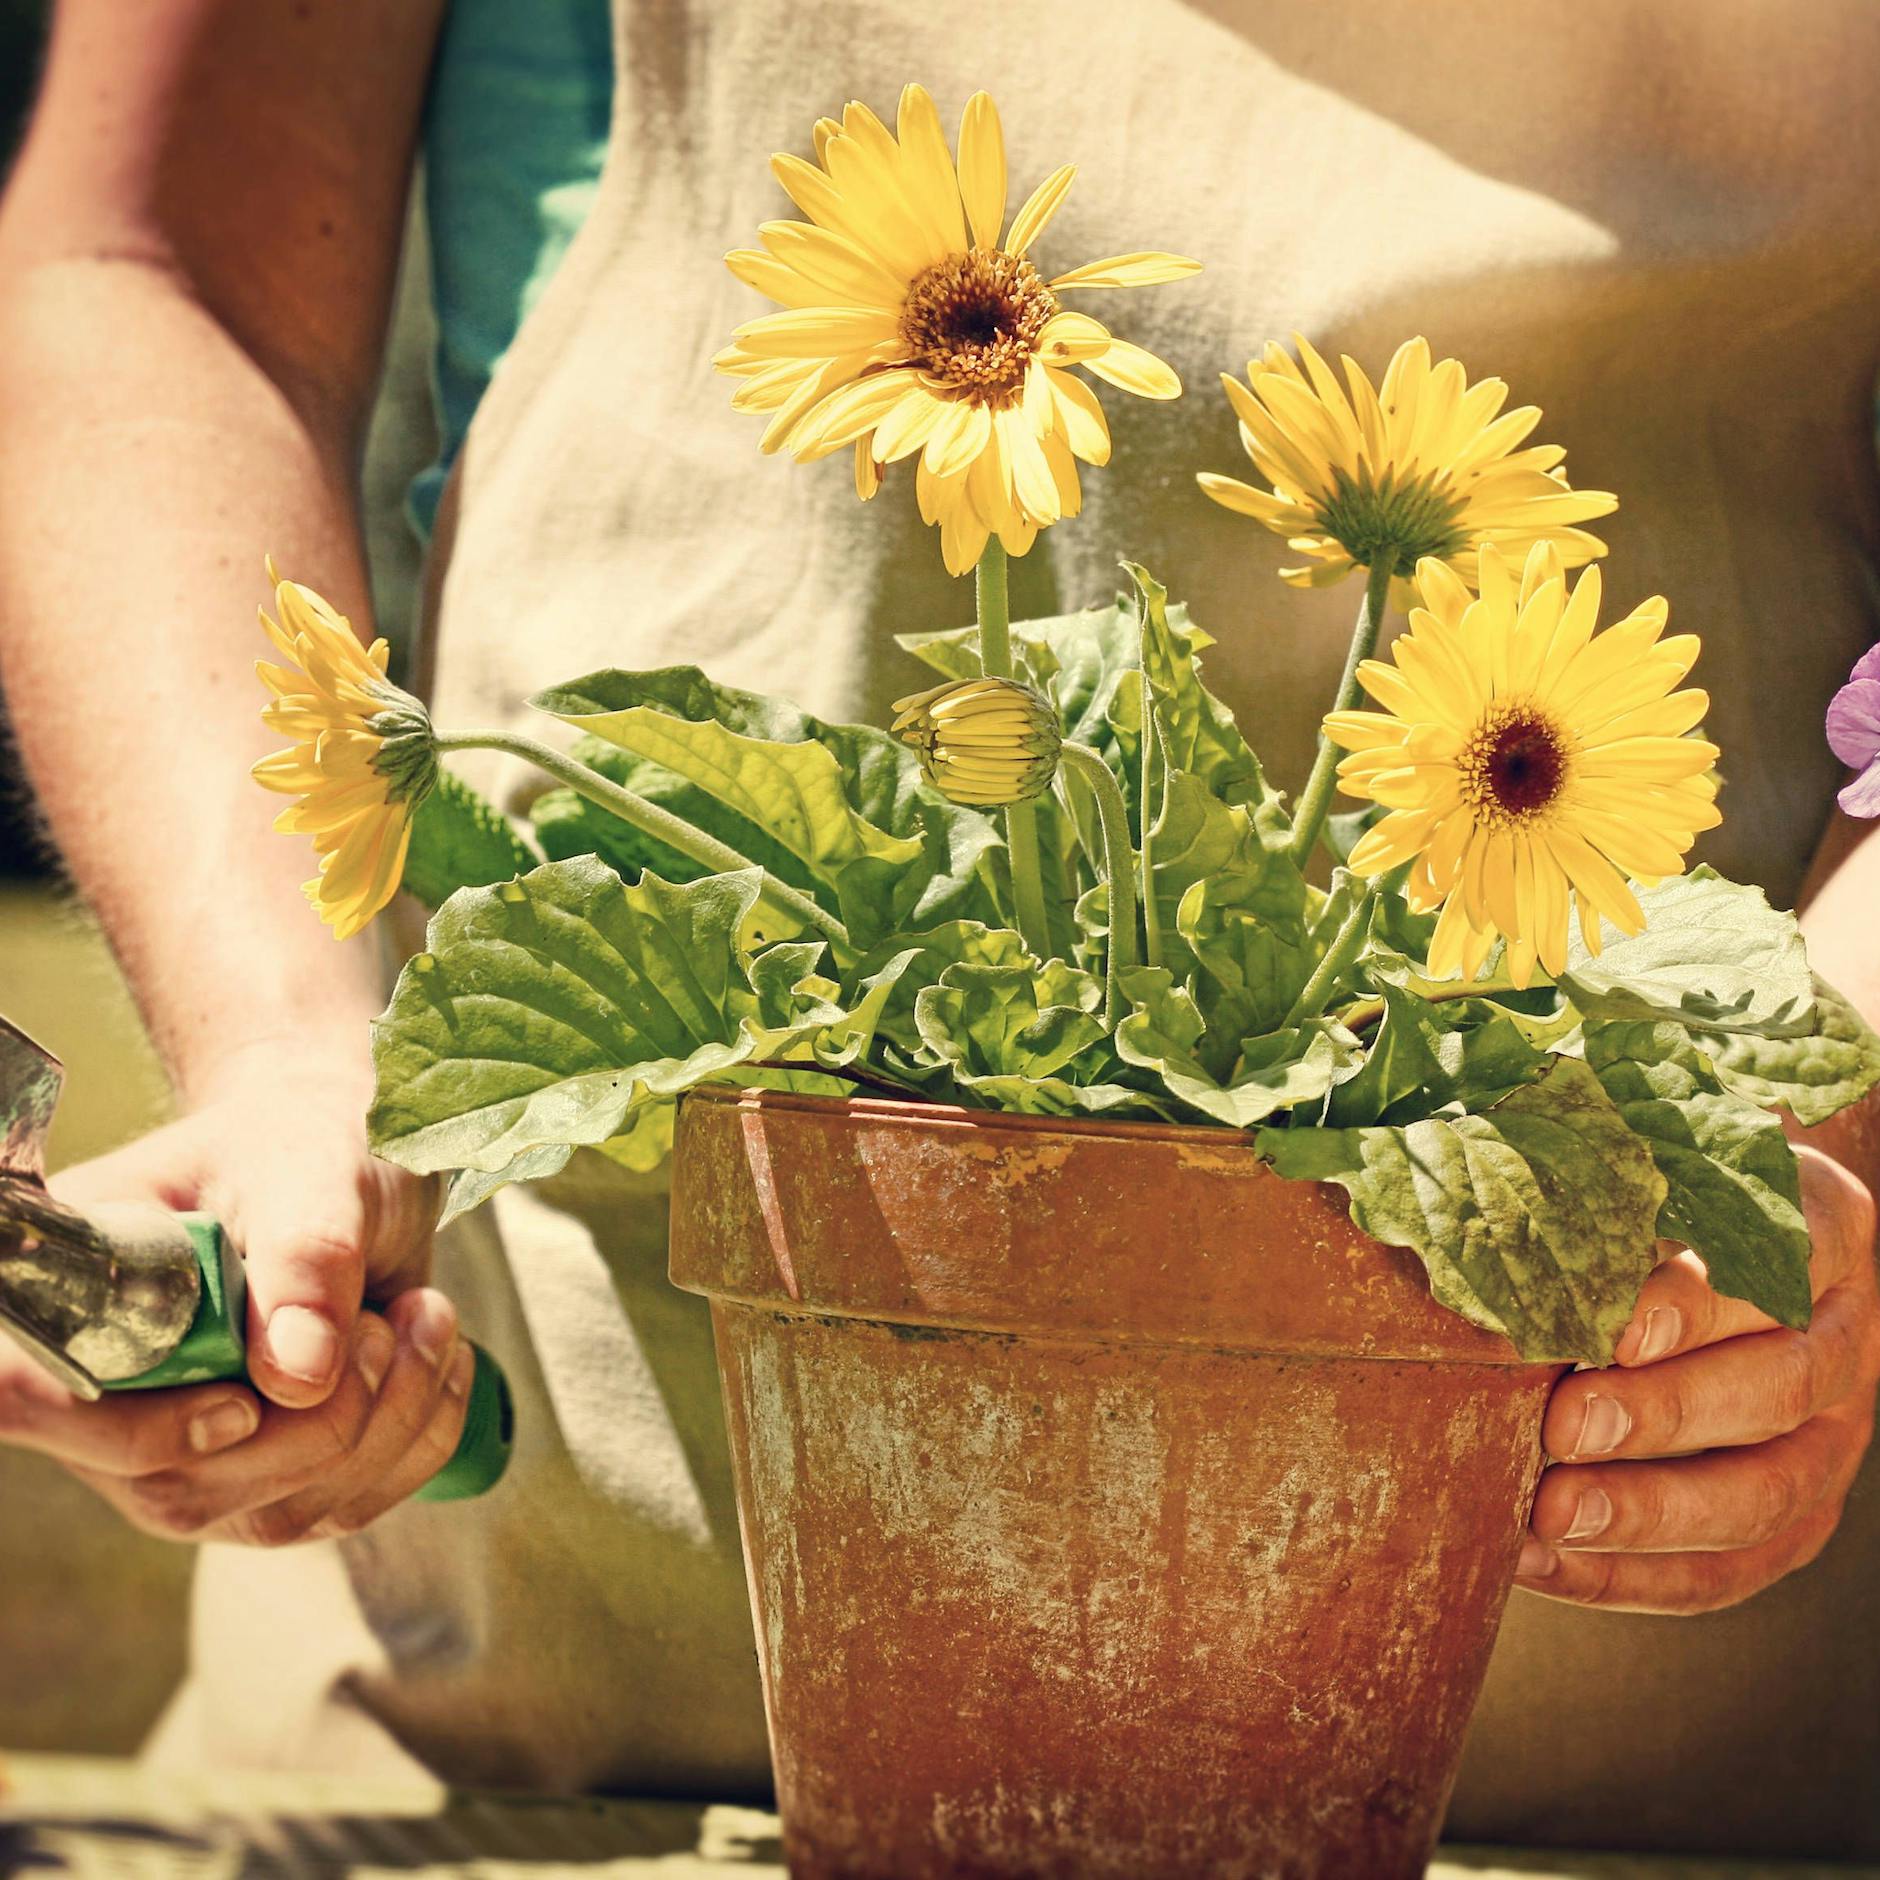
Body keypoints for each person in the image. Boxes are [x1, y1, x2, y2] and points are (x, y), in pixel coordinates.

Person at [1, 0, 1877, 1854]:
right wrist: (294, 1044)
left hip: (1628, 1744)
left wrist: (1820, 1101)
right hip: (548, 1685)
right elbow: (149, 266)